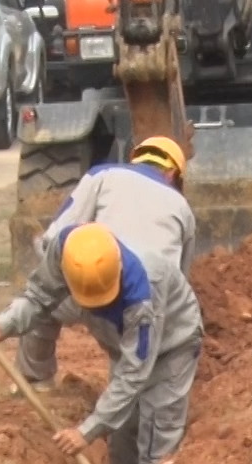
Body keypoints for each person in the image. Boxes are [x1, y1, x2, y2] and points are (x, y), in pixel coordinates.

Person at [0, 213, 202, 464]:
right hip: (124, 343)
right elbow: (38, 298)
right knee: (121, 436)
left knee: (157, 439)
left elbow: (134, 374)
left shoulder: (144, 292)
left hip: (173, 346)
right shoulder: (66, 250)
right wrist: (4, 323)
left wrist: (86, 431)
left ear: (118, 268)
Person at [15, 137, 195, 387]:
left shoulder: (102, 176)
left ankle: (37, 381)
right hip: (146, 311)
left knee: (40, 304)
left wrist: (45, 253)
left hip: (91, 292)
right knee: (131, 369)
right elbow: (180, 286)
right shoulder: (182, 207)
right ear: (172, 173)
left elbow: (56, 236)